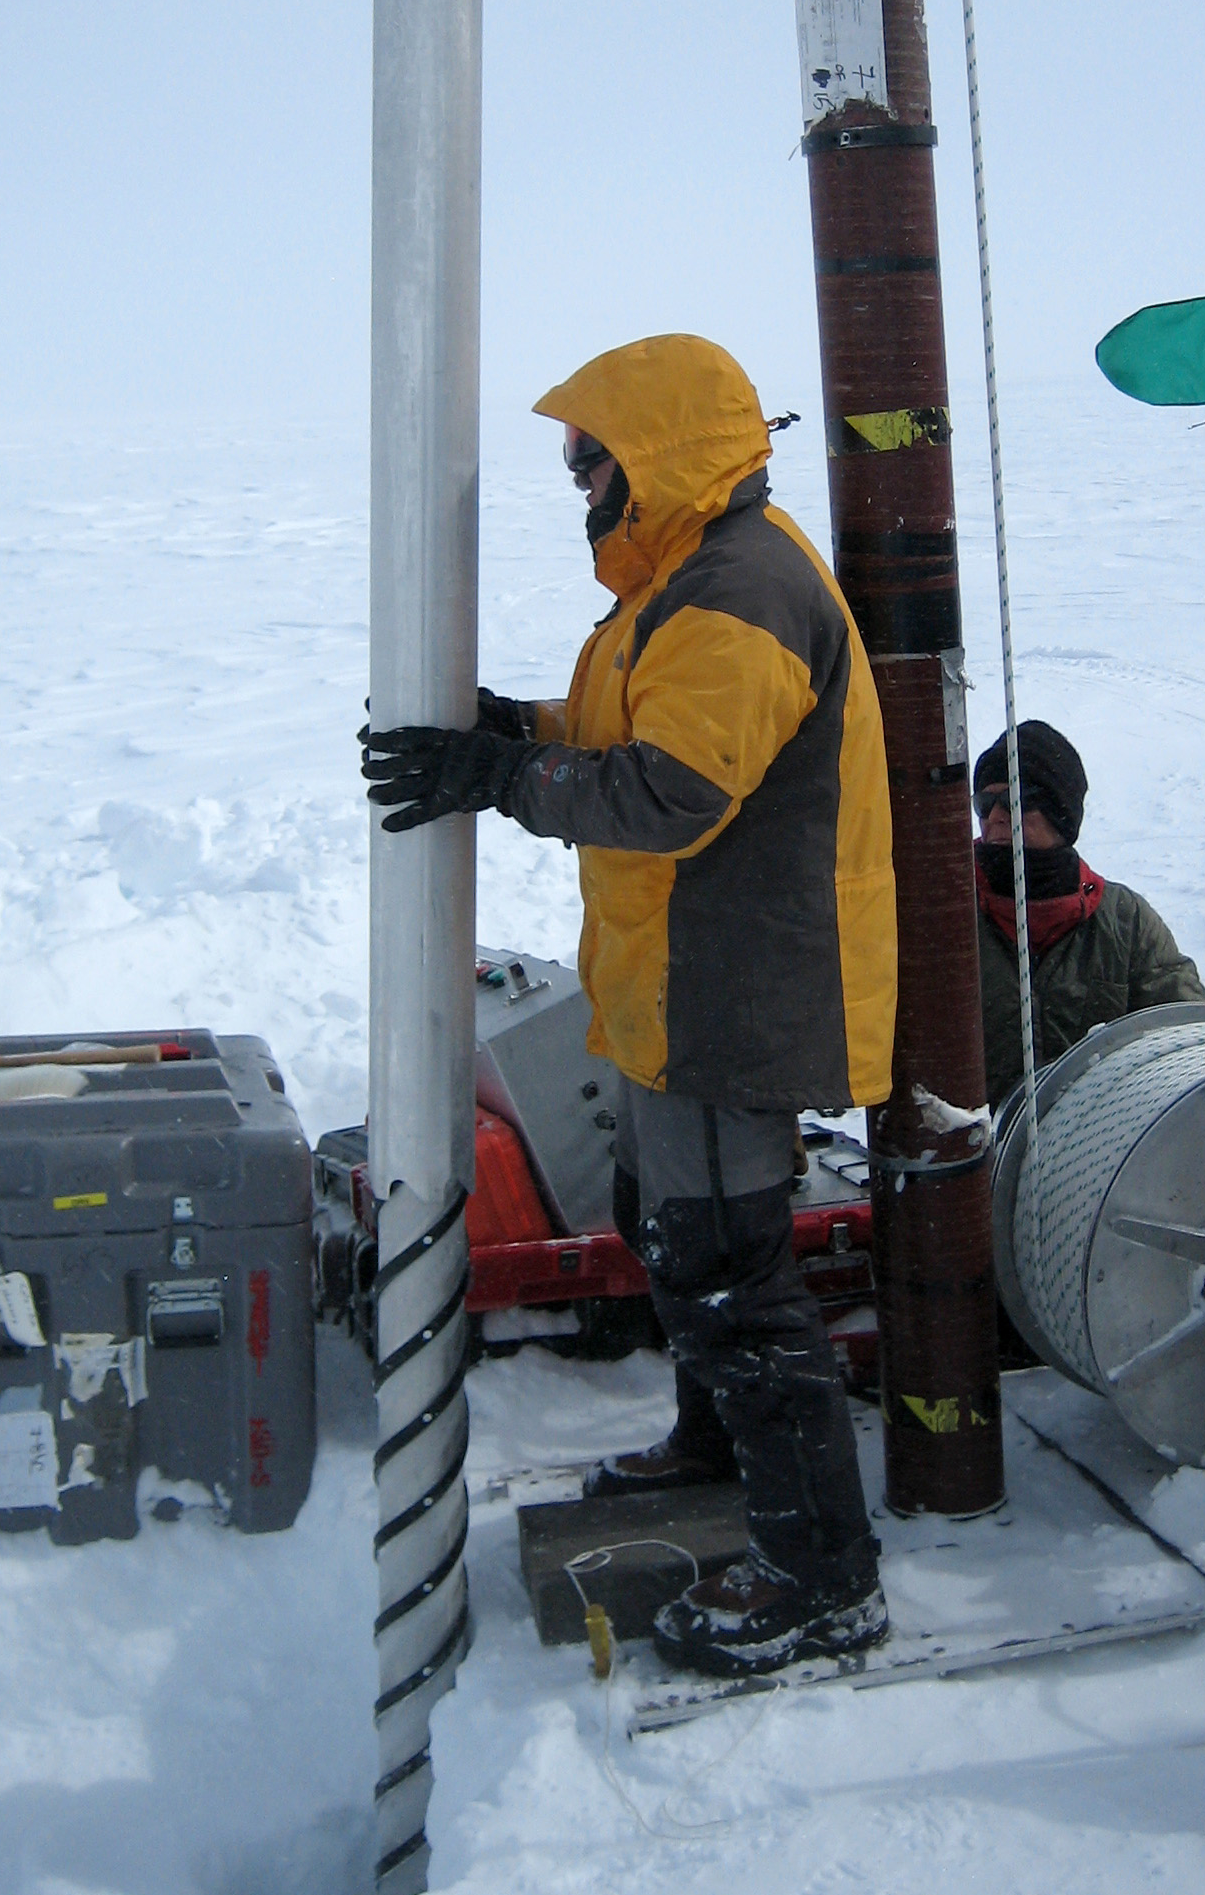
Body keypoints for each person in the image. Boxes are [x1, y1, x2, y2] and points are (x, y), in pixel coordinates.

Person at [362, 334, 894, 1678]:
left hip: (740, 996)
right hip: (683, 989)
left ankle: (823, 1578)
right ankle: (717, 1463)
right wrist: (513, 731)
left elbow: (669, 793)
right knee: (677, 1243)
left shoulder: (735, 595)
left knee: (731, 1275)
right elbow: (623, 733)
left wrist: (491, 777)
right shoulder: (681, 587)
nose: (578, 484)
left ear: (652, 457)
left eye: (590, 459)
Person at [972, 719, 1205, 1109]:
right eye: (984, 803)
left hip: (1096, 1160)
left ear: (1060, 814)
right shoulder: (943, 918)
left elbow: (1190, 1040)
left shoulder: (1125, 923)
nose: (994, 817)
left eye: (1014, 800)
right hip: (972, 1163)